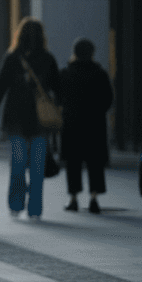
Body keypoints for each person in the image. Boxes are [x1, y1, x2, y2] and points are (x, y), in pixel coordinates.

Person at [0, 16, 61, 221]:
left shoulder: (12, 58)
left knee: (18, 164)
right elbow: (58, 88)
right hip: (40, 119)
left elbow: (0, 87)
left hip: (16, 118)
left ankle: (15, 204)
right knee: (37, 168)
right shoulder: (49, 59)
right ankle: (35, 209)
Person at [59, 37, 113, 214]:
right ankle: (94, 199)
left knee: (73, 163)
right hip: (94, 125)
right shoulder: (100, 73)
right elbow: (108, 99)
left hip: (72, 124)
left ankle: (73, 199)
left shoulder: (66, 73)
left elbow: (59, 98)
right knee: (95, 163)